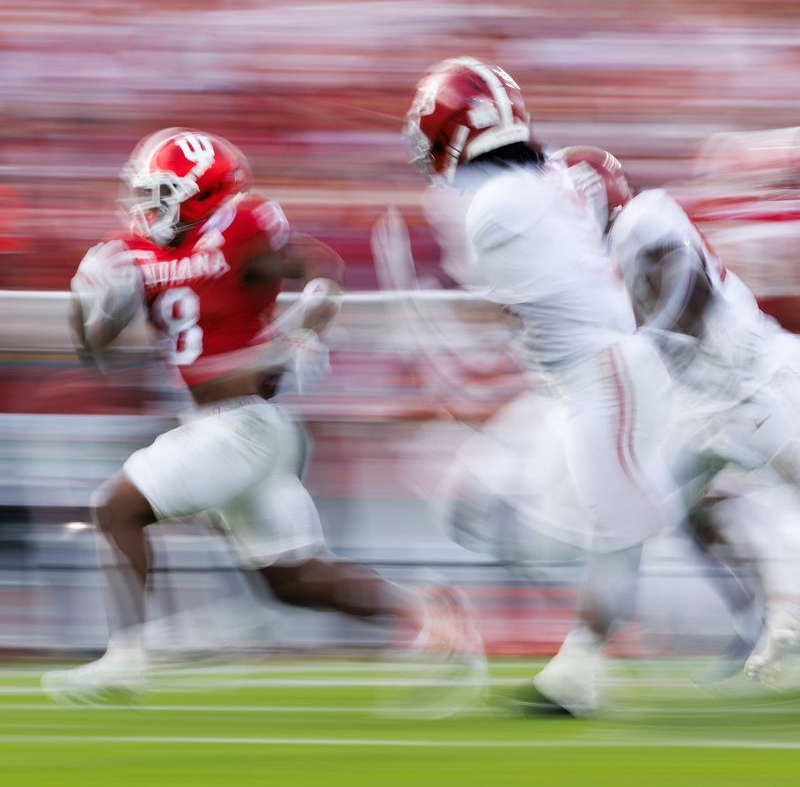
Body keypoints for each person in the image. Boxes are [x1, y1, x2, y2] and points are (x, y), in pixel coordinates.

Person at [43, 127, 476, 701]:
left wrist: (303, 335)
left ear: (202, 193)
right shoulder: (139, 254)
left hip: (241, 425)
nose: (148, 207)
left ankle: (125, 659)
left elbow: (321, 272)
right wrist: (87, 304)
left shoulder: (241, 226)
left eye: (162, 193)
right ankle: (429, 615)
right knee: (292, 580)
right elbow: (96, 351)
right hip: (221, 431)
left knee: (116, 508)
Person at [561, 144, 800, 681]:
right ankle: (579, 667)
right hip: (702, 409)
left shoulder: (645, 218)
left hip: (763, 388)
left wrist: (633, 341)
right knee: (637, 515)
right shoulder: (599, 257)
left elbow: (688, 292)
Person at [401, 57, 684, 716]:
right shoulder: (545, 176)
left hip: (605, 375)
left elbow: (495, 309)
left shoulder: (486, 208)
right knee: (469, 506)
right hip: (568, 383)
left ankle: (585, 669)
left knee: (615, 525)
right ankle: (615, 621)